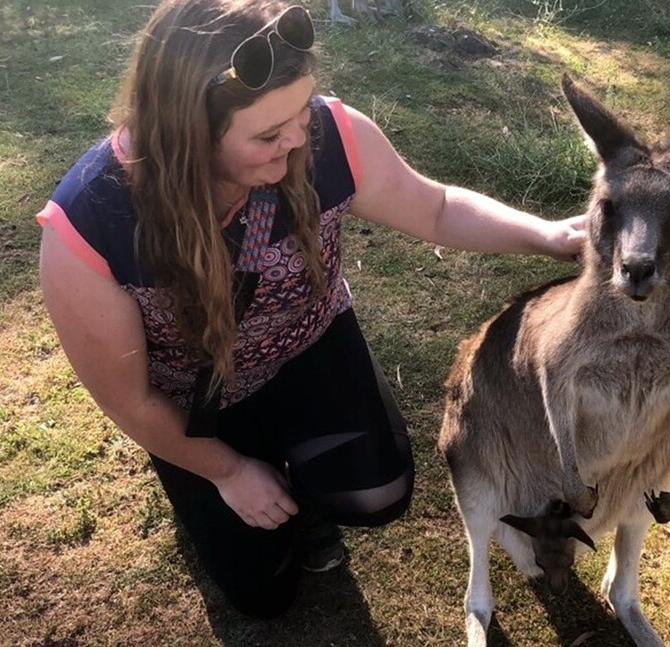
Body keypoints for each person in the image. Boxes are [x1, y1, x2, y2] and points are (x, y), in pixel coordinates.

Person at [37, 0, 587, 619]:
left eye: (301, 112)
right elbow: (129, 401)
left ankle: (294, 477)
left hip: (308, 342)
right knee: (263, 596)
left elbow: (434, 209)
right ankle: (214, 477)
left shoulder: (330, 136)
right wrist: (224, 471)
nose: (299, 138)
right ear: (185, 134)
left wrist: (546, 235)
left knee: (378, 493)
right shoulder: (89, 225)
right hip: (194, 396)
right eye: (269, 134)